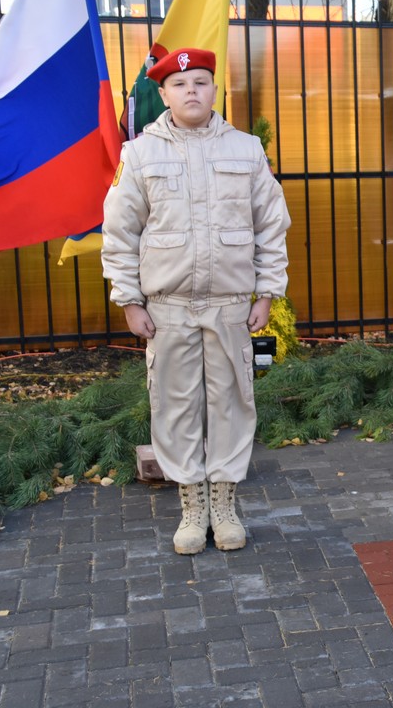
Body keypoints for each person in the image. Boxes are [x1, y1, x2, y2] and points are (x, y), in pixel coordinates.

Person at [102, 48, 291, 554]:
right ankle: (191, 507)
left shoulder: (247, 150)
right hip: (167, 306)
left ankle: (224, 505)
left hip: (230, 303)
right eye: (181, 83)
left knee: (231, 403)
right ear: (163, 94)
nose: (192, 91)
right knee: (177, 407)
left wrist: (267, 291)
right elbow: (120, 233)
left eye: (202, 82)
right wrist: (130, 300)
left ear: (215, 90)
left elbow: (271, 226)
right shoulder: (139, 155)